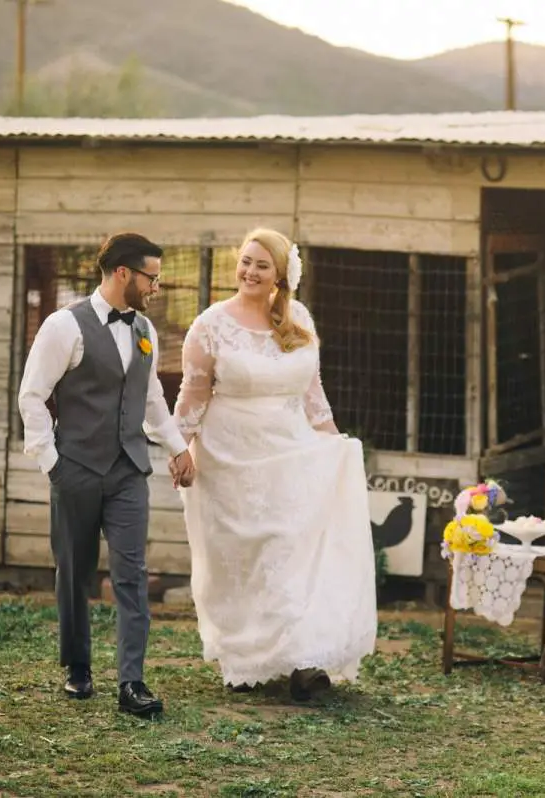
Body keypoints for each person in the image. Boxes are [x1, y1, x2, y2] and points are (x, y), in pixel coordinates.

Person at [173, 227, 376, 698]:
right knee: (247, 557)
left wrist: (334, 444)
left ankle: (305, 660)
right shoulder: (210, 325)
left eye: (262, 265)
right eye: (246, 261)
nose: (250, 271)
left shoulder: (298, 319)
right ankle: (249, 656)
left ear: (281, 275)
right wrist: (177, 446)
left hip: (292, 450)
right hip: (232, 456)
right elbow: (194, 395)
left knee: (291, 547)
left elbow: (312, 394)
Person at [18, 232, 195, 716]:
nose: (156, 287)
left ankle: (131, 683)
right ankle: (79, 669)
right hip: (74, 470)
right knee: (74, 572)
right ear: (123, 274)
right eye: (151, 278)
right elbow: (32, 395)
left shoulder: (146, 331)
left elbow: (151, 400)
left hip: (127, 472)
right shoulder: (64, 326)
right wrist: (51, 461)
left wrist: (178, 449)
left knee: (132, 574)